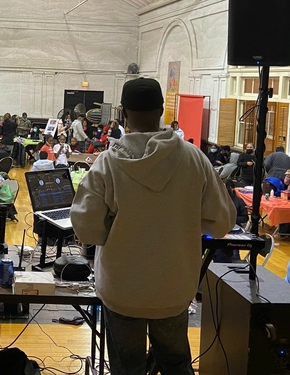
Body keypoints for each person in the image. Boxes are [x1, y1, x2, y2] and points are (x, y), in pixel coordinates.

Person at [71, 77, 235, 375]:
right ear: (161, 110)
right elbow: (221, 222)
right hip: (174, 288)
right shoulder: (194, 158)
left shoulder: (108, 163)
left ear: (123, 113)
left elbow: (87, 229)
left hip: (121, 289)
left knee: (127, 368)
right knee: (176, 365)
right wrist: (183, 220)